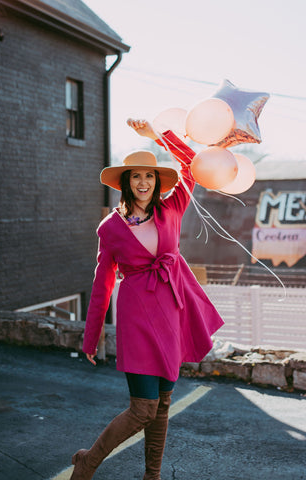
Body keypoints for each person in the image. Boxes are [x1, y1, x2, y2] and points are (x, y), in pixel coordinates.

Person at [70, 119, 224, 480]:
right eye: (136, 176)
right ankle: (88, 462)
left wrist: (159, 136)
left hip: (172, 313)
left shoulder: (171, 208)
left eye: (149, 176)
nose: (143, 182)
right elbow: (102, 282)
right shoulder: (110, 228)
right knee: (143, 408)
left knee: (163, 404)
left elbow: (193, 166)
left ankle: (151, 476)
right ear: (126, 182)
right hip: (137, 317)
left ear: (157, 181)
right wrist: (92, 335)